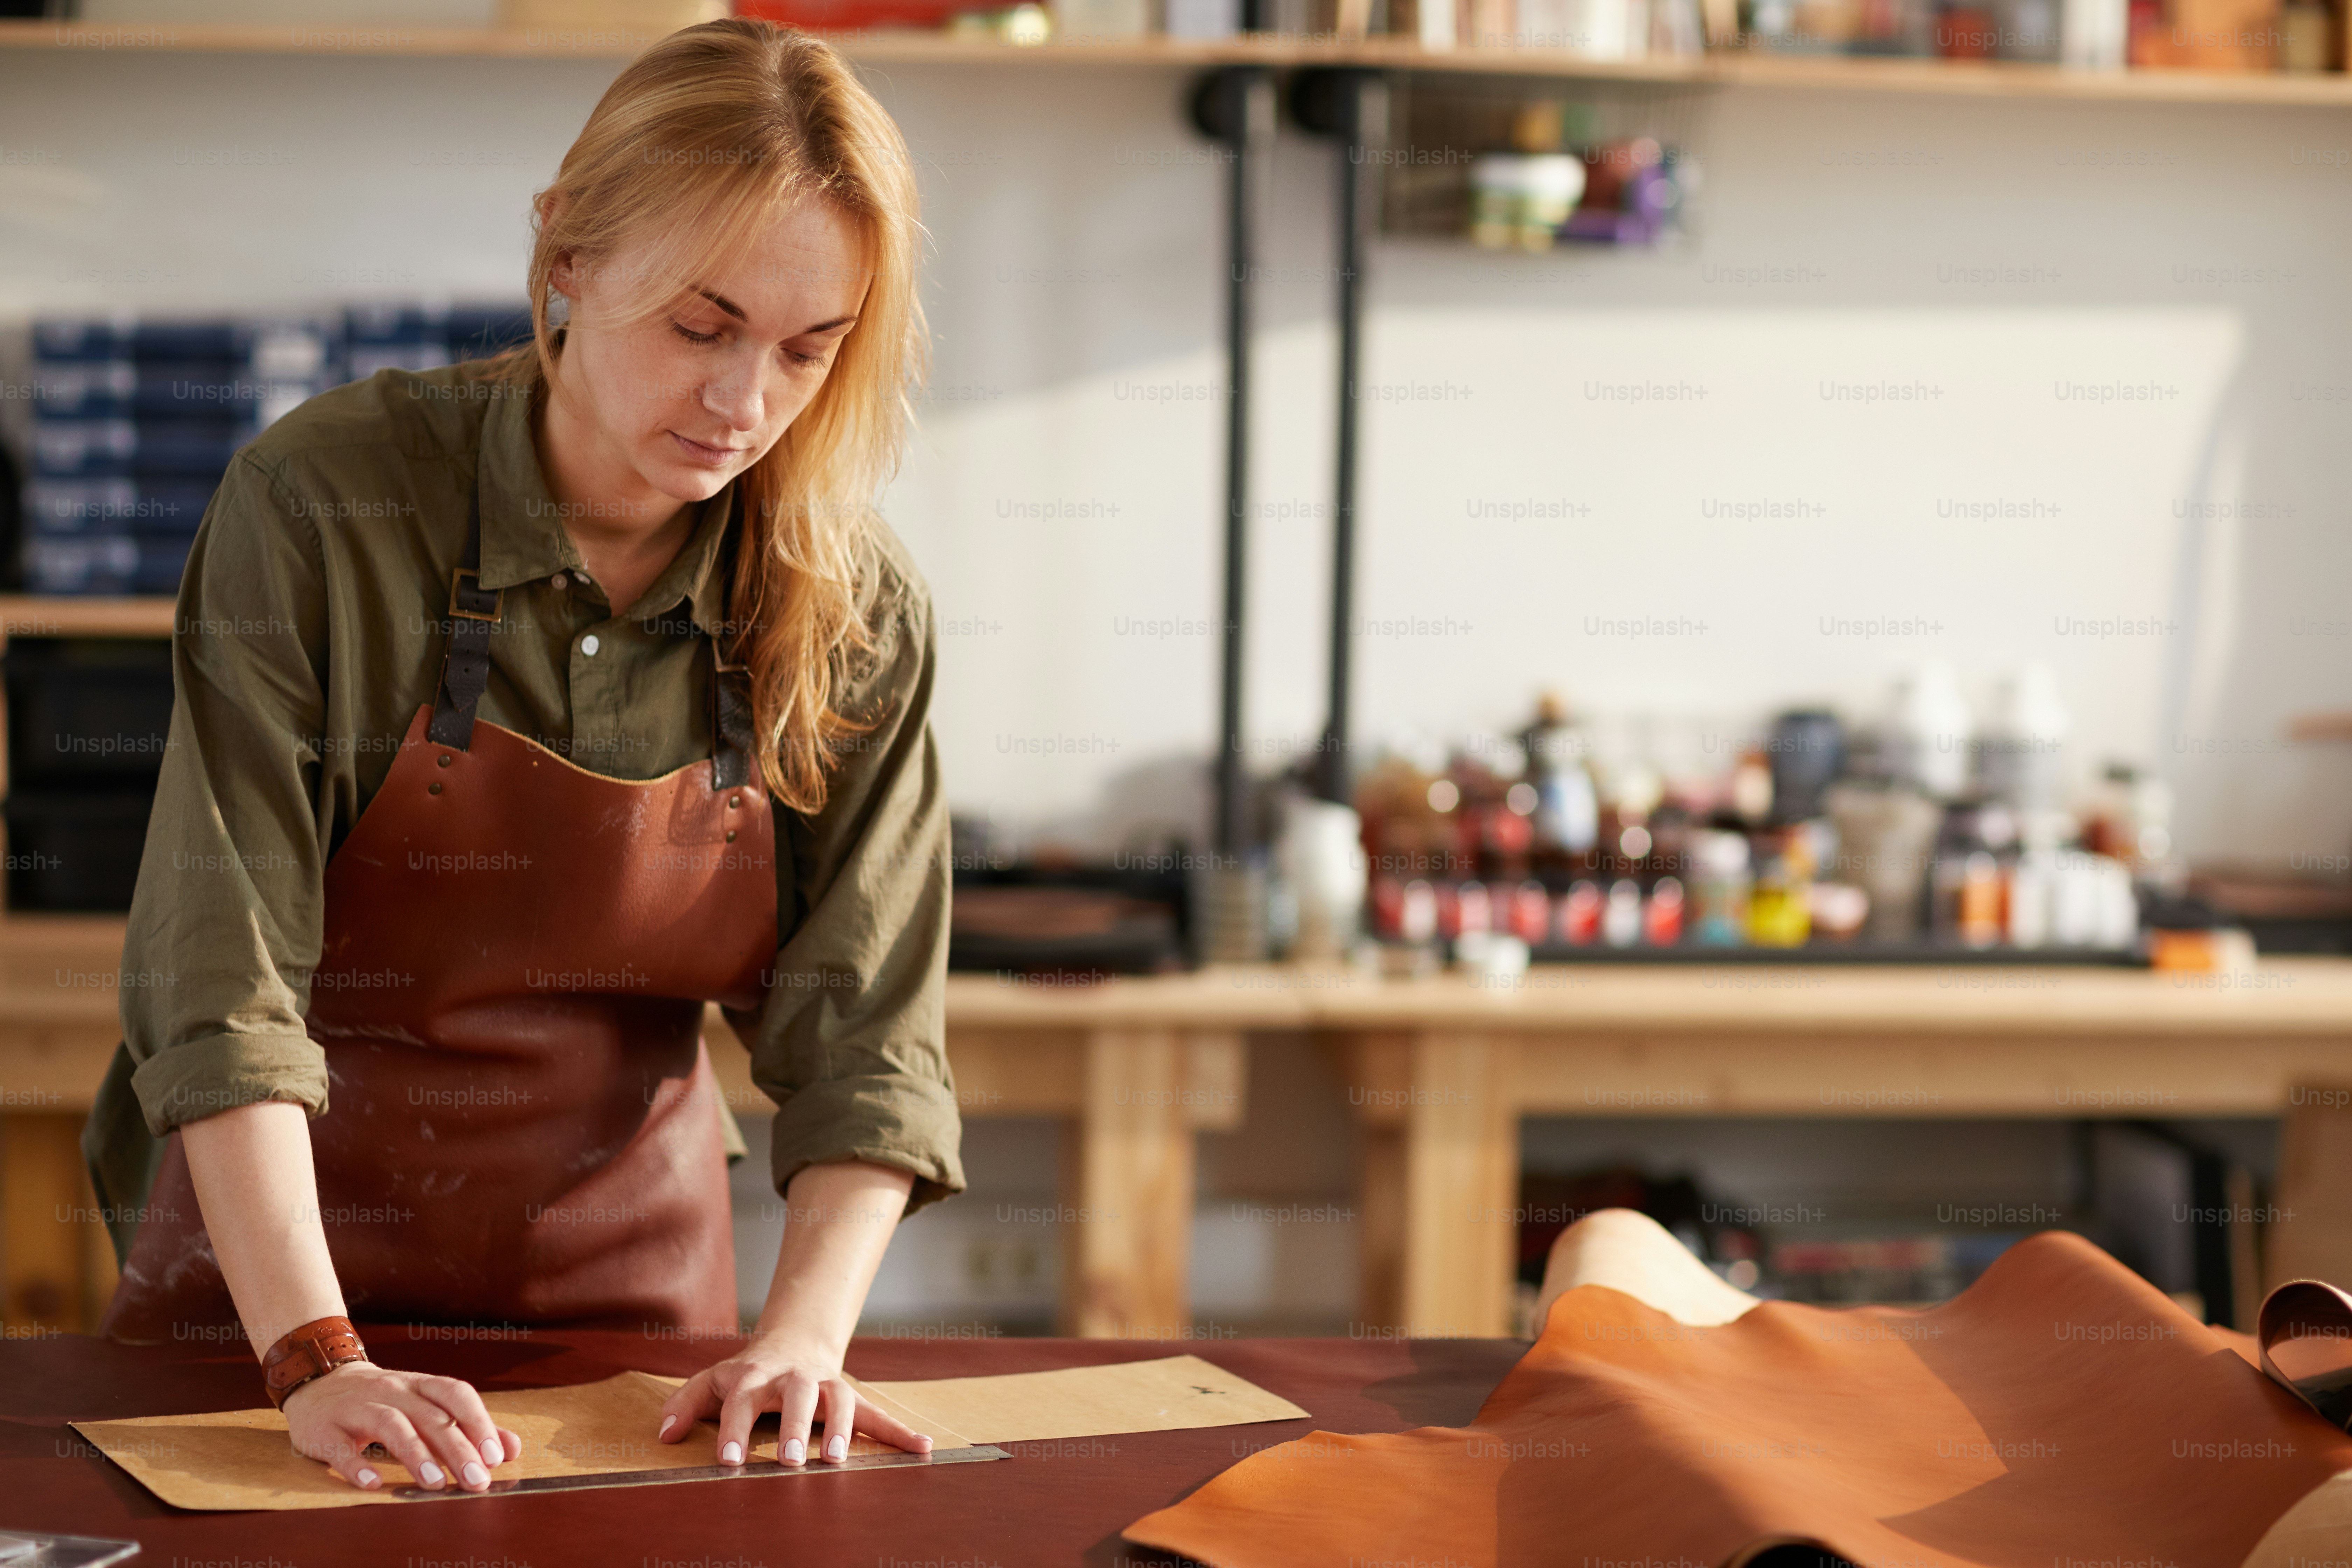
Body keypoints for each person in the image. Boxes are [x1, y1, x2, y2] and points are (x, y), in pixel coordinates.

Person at [78, 18, 962, 1494]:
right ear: (568, 251)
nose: (746, 403)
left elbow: (868, 1035)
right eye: (703, 326)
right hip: (269, 1316)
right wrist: (316, 1356)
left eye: (809, 351)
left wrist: (805, 1337)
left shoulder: (853, 604)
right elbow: (219, 977)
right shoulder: (319, 506)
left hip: (627, 1329)